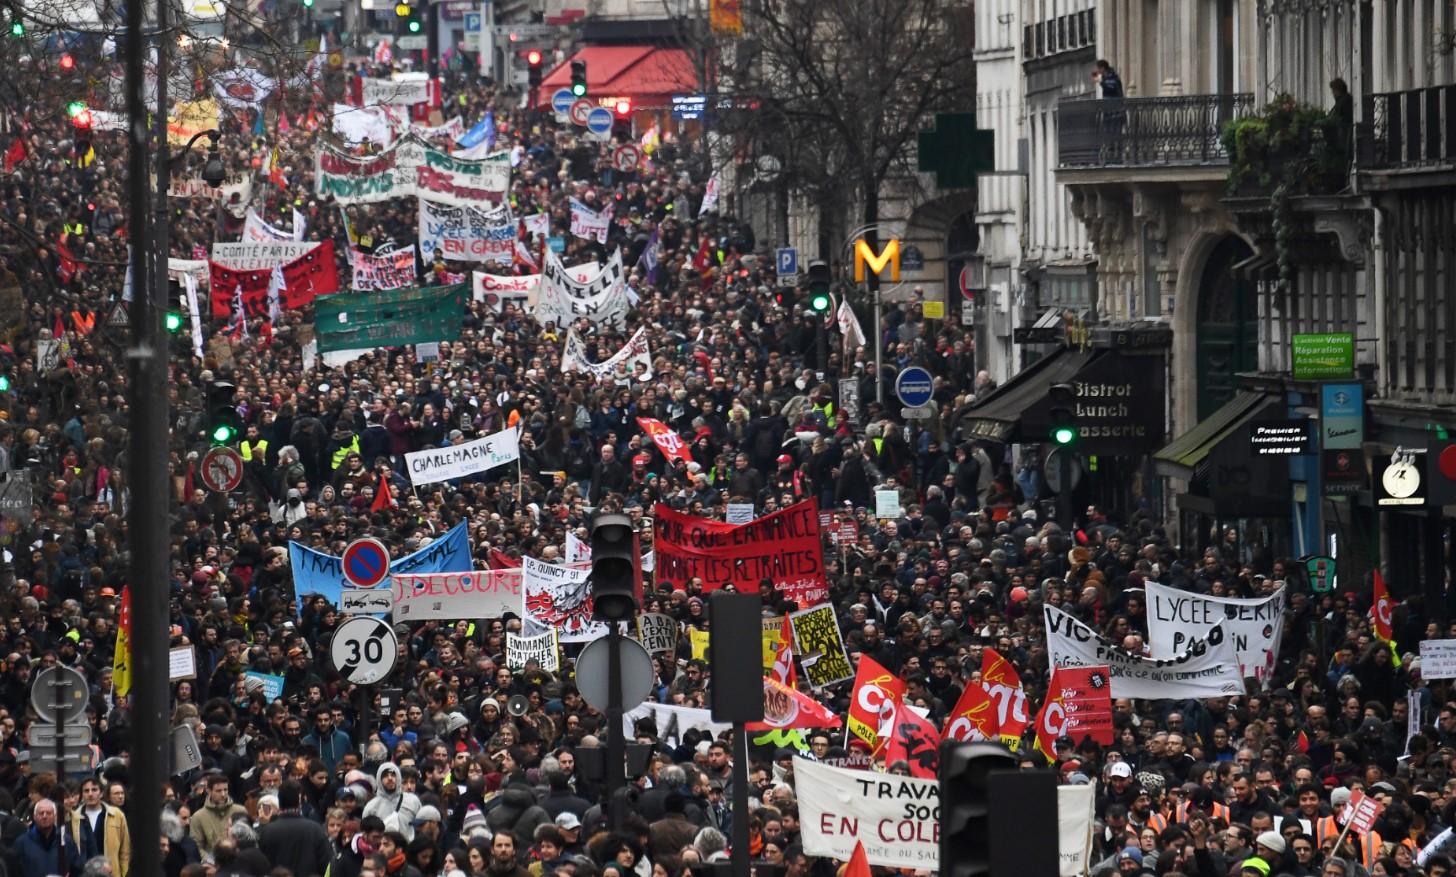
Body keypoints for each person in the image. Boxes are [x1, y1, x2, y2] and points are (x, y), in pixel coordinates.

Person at [259, 782, 335, 877]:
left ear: (279, 800)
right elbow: (328, 865)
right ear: (299, 801)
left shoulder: (268, 831)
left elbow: (262, 866)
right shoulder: (315, 829)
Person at [67, 777, 130, 877]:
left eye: (94, 790)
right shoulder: (75, 817)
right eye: (86, 791)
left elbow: (125, 851)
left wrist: (124, 874)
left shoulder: (116, 815)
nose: (90, 794)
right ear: (82, 795)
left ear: (101, 793)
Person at [16, 798, 82, 877]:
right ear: (34, 817)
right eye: (41, 813)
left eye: (48, 813)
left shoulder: (66, 842)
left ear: (55, 816)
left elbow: (78, 870)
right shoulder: (22, 843)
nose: (44, 816)